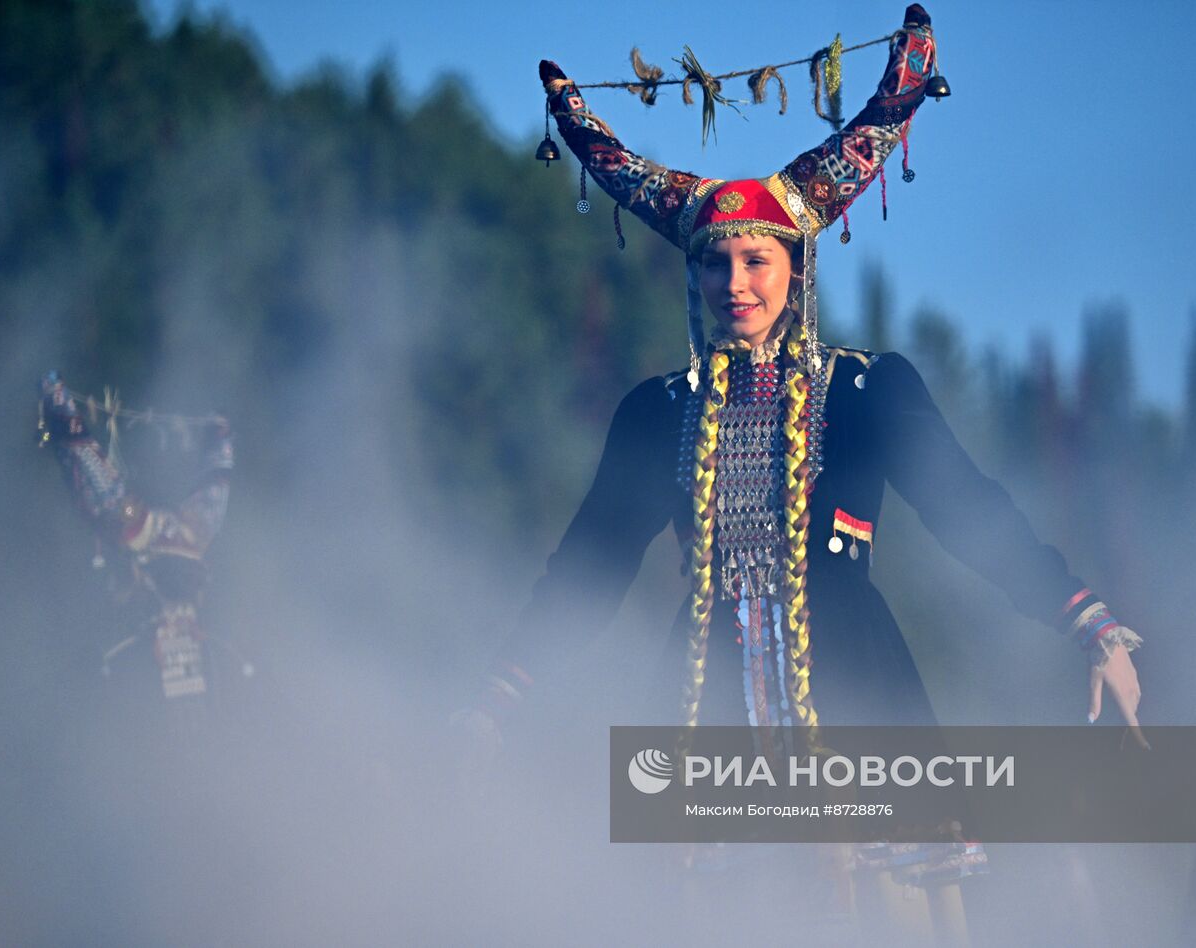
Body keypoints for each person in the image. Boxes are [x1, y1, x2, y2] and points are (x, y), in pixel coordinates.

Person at [472, 3, 1142, 739]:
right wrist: (502, 693)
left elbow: (970, 511)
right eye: (715, 265)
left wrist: (1088, 623)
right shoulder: (659, 410)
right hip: (703, 697)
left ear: (798, 269)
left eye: (757, 260)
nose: (736, 285)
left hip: (857, 681)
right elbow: (590, 567)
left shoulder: (866, 391)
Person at [38, 372, 234, 711]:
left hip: (149, 536)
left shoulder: (148, 529)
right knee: (127, 499)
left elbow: (97, 476)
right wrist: (222, 435)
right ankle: (61, 407)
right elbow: (217, 481)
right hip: (167, 536)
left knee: (115, 497)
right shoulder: (183, 531)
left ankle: (61, 407)